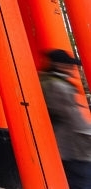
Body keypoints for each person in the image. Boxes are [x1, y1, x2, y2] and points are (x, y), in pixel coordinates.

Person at [39, 48, 91, 188]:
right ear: (59, 65)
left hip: (60, 145)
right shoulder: (59, 86)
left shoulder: (45, 81)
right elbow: (75, 120)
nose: (72, 68)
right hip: (73, 147)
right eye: (69, 64)